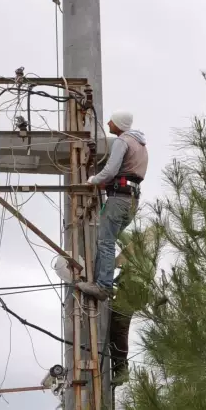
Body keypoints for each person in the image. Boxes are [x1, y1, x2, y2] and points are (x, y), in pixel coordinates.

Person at [74, 111, 147, 302]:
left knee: (105, 241)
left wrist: (94, 180)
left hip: (118, 199)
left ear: (119, 124)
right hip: (131, 201)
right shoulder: (139, 144)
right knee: (107, 239)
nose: (108, 123)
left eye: (111, 121)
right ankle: (98, 281)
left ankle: (102, 287)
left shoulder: (122, 141)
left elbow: (111, 169)